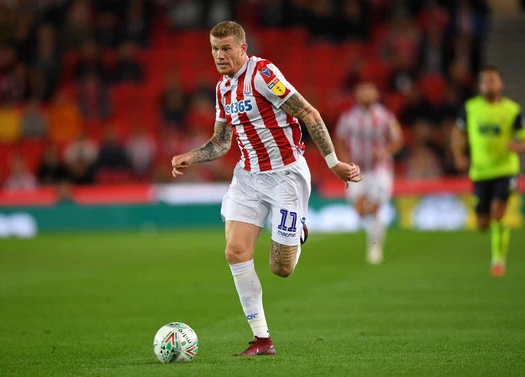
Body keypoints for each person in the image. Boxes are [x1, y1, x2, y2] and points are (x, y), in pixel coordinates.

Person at [171, 21, 362, 356]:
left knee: (281, 268)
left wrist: (333, 164)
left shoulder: (263, 74)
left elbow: (308, 113)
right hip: (247, 177)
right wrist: (192, 156)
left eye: (227, 48)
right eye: (215, 49)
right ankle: (262, 339)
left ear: (243, 48)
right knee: (235, 251)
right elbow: (221, 142)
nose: (220, 55)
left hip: (286, 175)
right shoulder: (222, 89)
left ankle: (298, 229)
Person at [452, 65, 525, 277]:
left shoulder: (512, 110)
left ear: (501, 84)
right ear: (479, 86)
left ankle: (498, 260)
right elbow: (458, 133)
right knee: (482, 224)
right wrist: (459, 156)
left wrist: (516, 147)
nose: (489, 84)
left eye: (493, 80)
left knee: (499, 212)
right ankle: (494, 241)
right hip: (480, 172)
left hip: (505, 169)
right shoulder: (470, 108)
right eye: (485, 81)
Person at [335, 82, 403, 264]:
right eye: (362, 91)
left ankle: (375, 248)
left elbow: (397, 138)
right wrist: (343, 159)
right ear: (357, 95)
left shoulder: (385, 116)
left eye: (369, 91)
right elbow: (340, 139)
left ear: (376, 94)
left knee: (373, 208)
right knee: (360, 209)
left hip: (379, 170)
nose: (366, 94)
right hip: (356, 169)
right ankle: (374, 242)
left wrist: (386, 152)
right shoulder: (349, 117)